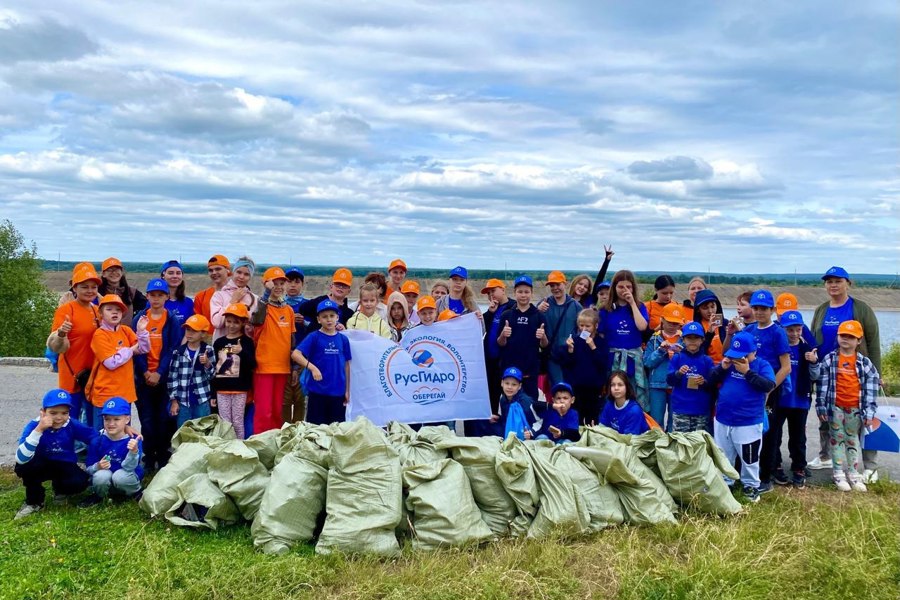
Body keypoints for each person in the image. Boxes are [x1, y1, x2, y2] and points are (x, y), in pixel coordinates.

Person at [809, 266, 882, 482]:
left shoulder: (861, 309)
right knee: (826, 417)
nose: (833, 285)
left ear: (847, 283)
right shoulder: (821, 310)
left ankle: (870, 465)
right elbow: (814, 338)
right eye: (829, 281)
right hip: (828, 373)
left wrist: (877, 374)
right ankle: (826, 456)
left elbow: (873, 342)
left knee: (862, 419)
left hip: (855, 374)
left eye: (838, 281)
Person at [811, 320, 880, 493]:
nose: (846, 340)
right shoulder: (830, 359)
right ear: (838, 337)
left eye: (851, 337)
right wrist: (821, 407)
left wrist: (869, 412)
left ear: (858, 340)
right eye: (843, 336)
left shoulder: (864, 364)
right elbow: (820, 383)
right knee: (836, 439)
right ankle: (838, 474)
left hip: (855, 409)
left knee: (852, 440)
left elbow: (872, 388)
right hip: (835, 408)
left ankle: (854, 474)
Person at [707, 332, 776, 503]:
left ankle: (751, 485)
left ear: (753, 353)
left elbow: (768, 385)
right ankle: (726, 481)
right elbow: (710, 380)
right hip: (723, 417)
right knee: (724, 453)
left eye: (743, 356)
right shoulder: (729, 365)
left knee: (749, 456)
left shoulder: (762, 365)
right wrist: (721, 368)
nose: (738, 360)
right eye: (735, 356)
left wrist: (747, 372)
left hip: (748, 420)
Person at [736, 290, 791, 493]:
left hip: (770, 389)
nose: (759, 312)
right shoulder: (749, 330)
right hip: (750, 386)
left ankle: (765, 477)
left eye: (764, 309)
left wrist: (769, 389)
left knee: (768, 432)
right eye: (756, 308)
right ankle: (747, 475)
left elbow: (786, 367)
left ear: (772, 310)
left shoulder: (777, 332)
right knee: (748, 431)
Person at [13, 389, 96, 520]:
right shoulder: (33, 426)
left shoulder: (71, 424)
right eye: (53, 413)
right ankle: (34, 501)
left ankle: (61, 490)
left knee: (80, 481)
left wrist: (123, 429)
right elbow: (21, 458)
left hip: (63, 464)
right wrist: (39, 429)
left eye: (64, 413)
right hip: (40, 465)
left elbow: (94, 436)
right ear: (43, 412)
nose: (59, 417)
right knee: (24, 467)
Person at [132, 278, 182, 471]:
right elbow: (136, 348)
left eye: (160, 295)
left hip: (164, 379)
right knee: (147, 420)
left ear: (166, 297)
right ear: (147, 296)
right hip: (144, 379)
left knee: (163, 419)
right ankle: (148, 455)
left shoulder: (171, 320)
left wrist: (159, 372)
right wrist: (145, 371)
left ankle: (163, 455)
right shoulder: (140, 319)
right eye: (153, 295)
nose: (156, 299)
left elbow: (173, 349)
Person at [47, 263, 102, 426]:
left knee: (93, 420)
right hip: (71, 376)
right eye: (84, 286)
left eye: (93, 287)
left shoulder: (98, 310)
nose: (90, 290)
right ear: (74, 287)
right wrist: (62, 334)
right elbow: (55, 347)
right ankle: (67, 451)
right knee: (69, 420)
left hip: (93, 376)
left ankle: (90, 450)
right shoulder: (66, 310)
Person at [88, 294, 149, 431]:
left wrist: (142, 331)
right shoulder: (99, 334)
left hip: (125, 394)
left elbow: (143, 348)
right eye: (109, 309)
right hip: (105, 394)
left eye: (118, 309)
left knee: (123, 435)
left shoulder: (126, 331)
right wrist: (130, 350)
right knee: (102, 435)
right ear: (101, 313)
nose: (114, 312)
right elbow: (111, 362)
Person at [771, 310, 816, 488]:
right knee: (775, 435)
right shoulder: (779, 349)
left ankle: (799, 468)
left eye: (798, 329)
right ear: (782, 329)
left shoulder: (807, 349)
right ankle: (776, 465)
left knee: (798, 437)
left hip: (800, 400)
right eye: (790, 330)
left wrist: (814, 362)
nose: (795, 333)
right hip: (780, 400)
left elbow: (815, 375)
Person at [292, 299, 352, 425]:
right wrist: (312, 368)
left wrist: (347, 390)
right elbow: (296, 354)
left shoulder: (343, 339)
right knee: (316, 429)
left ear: (337, 317)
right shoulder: (314, 337)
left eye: (332, 316)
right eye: (324, 317)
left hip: (338, 392)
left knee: (336, 430)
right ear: (319, 319)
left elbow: (347, 365)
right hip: (317, 391)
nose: (329, 320)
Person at [250, 267, 296, 434]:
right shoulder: (262, 307)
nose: (278, 286)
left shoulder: (289, 310)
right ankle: (259, 444)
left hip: (282, 368)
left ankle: (274, 443)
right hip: (264, 368)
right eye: (274, 283)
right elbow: (256, 321)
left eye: (281, 283)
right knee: (264, 412)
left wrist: (294, 367)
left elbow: (292, 341)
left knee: (277, 412)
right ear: (267, 284)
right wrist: (266, 294)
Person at [598, 270, 649, 410]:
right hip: (613, 359)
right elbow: (601, 336)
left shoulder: (640, 307)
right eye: (621, 287)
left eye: (628, 287)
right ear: (614, 287)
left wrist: (632, 303)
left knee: (633, 397)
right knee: (613, 396)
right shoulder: (605, 309)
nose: (624, 290)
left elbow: (642, 326)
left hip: (632, 360)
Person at [79, 397, 144, 507]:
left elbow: (130, 468)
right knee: (101, 476)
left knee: (119, 476)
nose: (111, 423)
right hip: (107, 478)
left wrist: (133, 452)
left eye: (116, 419)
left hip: (125, 477)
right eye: (107, 419)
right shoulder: (98, 440)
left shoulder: (134, 440)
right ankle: (99, 495)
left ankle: (135, 493)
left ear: (127, 419)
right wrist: (97, 466)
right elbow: (89, 468)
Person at [497, 275, 548, 403]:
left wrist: (543, 337)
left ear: (531, 293)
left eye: (526, 292)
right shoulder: (507, 315)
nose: (523, 295)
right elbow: (500, 343)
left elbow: (545, 345)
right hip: (510, 369)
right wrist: (503, 334)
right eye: (520, 292)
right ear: (514, 293)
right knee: (509, 404)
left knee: (530, 405)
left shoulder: (539, 316)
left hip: (530, 369)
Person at [555, 309, 606, 426]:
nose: (584, 329)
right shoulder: (574, 341)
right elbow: (565, 363)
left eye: (588, 326)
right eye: (581, 325)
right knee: (576, 416)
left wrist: (593, 347)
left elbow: (603, 363)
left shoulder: (601, 342)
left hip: (594, 388)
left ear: (596, 326)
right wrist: (570, 350)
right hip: (576, 387)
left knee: (592, 417)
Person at [212, 303, 256, 439]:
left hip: (240, 389)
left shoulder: (247, 342)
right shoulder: (219, 342)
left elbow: (253, 364)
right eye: (228, 321)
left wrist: (241, 352)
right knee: (225, 422)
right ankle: (226, 447)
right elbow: (215, 369)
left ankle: (239, 448)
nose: (231, 325)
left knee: (237, 421)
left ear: (243, 323)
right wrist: (213, 393)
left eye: (235, 322)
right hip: (222, 390)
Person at [167, 314, 217, 429]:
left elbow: (212, 375)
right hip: (183, 401)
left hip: (202, 399)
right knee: (183, 432)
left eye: (194, 331)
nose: (189, 333)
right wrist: (174, 401)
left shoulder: (208, 350)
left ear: (203, 334)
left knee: (202, 431)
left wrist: (207, 364)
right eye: (187, 330)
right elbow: (172, 377)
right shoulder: (178, 352)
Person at [643, 302, 687, 429]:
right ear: (662, 320)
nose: (673, 326)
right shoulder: (654, 339)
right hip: (656, 384)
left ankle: (673, 445)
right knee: (656, 421)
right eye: (669, 322)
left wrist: (680, 356)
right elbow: (647, 362)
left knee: (675, 421)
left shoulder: (685, 339)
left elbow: (689, 362)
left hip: (677, 385)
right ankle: (657, 445)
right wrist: (661, 351)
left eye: (676, 323)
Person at [666, 321, 715, 433]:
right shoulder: (677, 358)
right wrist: (678, 373)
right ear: (683, 339)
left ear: (702, 340)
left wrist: (704, 382)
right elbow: (670, 380)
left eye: (696, 338)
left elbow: (712, 384)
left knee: (698, 443)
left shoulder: (707, 360)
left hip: (700, 409)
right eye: (689, 338)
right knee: (681, 442)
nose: (692, 341)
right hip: (681, 408)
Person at [538, 271, 580, 386]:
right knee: (558, 389)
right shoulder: (544, 304)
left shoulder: (575, 306)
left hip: (570, 356)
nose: (555, 288)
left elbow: (585, 330)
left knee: (571, 390)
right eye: (552, 286)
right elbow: (532, 323)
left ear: (564, 284)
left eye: (558, 285)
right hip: (552, 357)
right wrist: (538, 311)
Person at [482, 278, 517, 406]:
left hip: (505, 359)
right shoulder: (492, 309)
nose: (491, 295)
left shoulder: (514, 306)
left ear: (502, 290)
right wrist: (490, 313)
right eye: (488, 293)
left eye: (493, 291)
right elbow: (482, 327)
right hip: (490, 359)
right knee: (492, 396)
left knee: (508, 395)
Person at [210, 256, 258, 342]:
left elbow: (256, 327)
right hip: (222, 347)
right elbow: (217, 323)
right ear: (233, 272)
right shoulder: (219, 296)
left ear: (250, 277)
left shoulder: (255, 299)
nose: (241, 277)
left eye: (246, 274)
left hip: (245, 349)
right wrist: (232, 301)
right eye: (238, 272)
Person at [283, 266, 308, 424]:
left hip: (303, 361)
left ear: (302, 285)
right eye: (289, 281)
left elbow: (317, 328)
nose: (292, 285)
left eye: (296, 282)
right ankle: (284, 432)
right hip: (282, 360)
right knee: (284, 401)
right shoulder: (279, 305)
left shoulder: (308, 306)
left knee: (300, 400)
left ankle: (299, 432)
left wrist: (304, 322)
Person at [486, 367, 538, 439]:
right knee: (485, 422)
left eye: (514, 384)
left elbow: (539, 422)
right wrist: (498, 418)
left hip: (525, 435)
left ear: (519, 386)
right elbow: (507, 420)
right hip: (509, 432)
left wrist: (531, 433)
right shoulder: (503, 399)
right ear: (502, 383)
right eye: (507, 383)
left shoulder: (526, 402)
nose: (509, 387)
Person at [299, 268, 356, 333]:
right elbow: (302, 309)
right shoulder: (318, 302)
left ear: (349, 291)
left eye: (344, 286)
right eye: (338, 285)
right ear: (331, 287)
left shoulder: (349, 314)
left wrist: (344, 329)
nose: (340, 288)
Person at [98, 257, 146, 326]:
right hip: (104, 334)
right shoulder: (97, 293)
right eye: (110, 270)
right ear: (103, 274)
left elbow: (147, 307)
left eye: (117, 269)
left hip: (126, 334)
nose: (114, 273)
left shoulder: (132, 293)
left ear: (122, 272)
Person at [598, 371, 650, 435]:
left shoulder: (634, 411)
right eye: (613, 385)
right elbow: (602, 427)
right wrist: (596, 430)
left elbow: (629, 440)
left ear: (627, 387)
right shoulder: (609, 405)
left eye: (620, 385)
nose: (616, 388)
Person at [193, 255, 232, 331]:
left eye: (218, 269)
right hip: (208, 339)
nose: (214, 273)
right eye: (211, 270)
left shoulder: (237, 293)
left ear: (227, 270)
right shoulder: (201, 296)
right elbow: (197, 324)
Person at [693, 289, 726, 365]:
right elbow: (698, 351)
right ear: (698, 310)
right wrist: (709, 333)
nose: (710, 311)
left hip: (725, 364)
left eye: (712, 306)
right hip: (707, 365)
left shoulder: (725, 323)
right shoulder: (696, 327)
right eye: (705, 308)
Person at [160, 260, 194, 326]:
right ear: (163, 276)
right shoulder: (155, 302)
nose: (175, 276)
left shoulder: (188, 302)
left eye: (178, 273)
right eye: (170, 273)